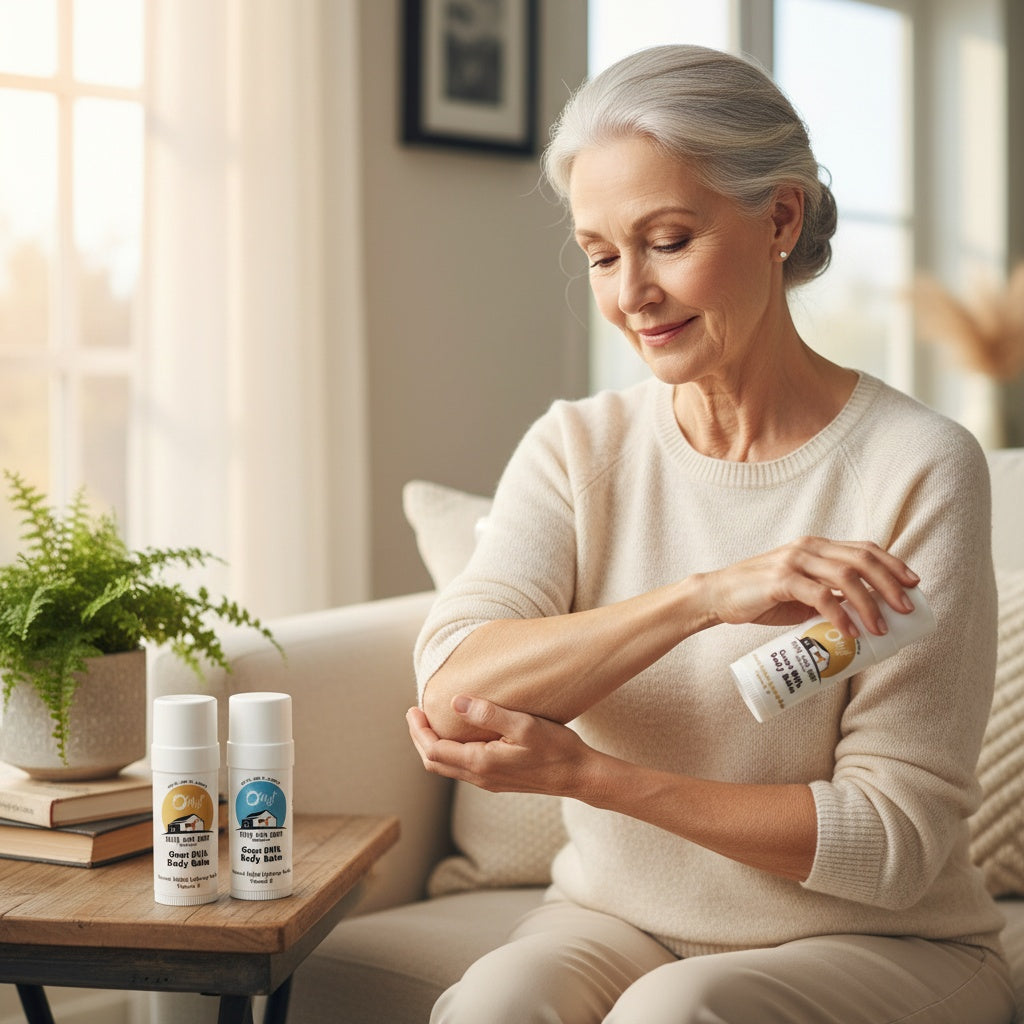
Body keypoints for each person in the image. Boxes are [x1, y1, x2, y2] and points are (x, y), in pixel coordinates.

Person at [405, 44, 1016, 1024]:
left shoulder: (917, 466)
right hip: (618, 919)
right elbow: (454, 694)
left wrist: (594, 778)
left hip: (882, 942)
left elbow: (890, 842)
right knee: (494, 1007)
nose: (631, 293)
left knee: (674, 1012)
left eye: (668, 239)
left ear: (780, 218)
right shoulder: (576, 449)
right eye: (602, 255)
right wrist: (704, 598)